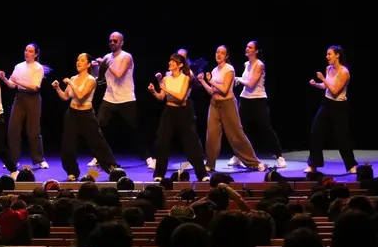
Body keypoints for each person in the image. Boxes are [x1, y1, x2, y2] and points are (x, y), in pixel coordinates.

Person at [91, 32, 155, 169]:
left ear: (121, 43)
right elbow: (98, 77)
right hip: (109, 97)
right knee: (99, 127)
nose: (112, 43)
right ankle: (99, 155)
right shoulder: (107, 57)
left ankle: (148, 157)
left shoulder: (126, 56)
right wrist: (95, 66)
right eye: (110, 41)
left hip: (126, 98)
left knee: (134, 129)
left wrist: (106, 63)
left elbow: (119, 74)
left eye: (115, 41)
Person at [198, 45, 266, 172]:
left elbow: (224, 90)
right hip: (214, 104)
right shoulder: (214, 70)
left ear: (226, 56)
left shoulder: (229, 69)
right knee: (211, 135)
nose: (218, 55)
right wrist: (203, 82)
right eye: (217, 52)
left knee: (236, 135)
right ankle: (210, 164)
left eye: (222, 53)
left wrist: (211, 81)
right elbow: (212, 92)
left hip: (227, 104)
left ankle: (254, 162)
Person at [53, 53, 119, 181]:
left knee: (97, 142)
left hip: (86, 114)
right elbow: (65, 97)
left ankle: (113, 169)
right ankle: (72, 171)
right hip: (72, 113)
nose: (78, 62)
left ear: (88, 64)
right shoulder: (73, 77)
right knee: (68, 143)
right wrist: (57, 88)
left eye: (82, 60)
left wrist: (71, 83)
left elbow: (81, 96)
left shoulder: (91, 80)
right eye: (78, 60)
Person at [147, 54, 209, 182]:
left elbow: (181, 97)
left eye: (173, 61)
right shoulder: (166, 79)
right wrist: (154, 91)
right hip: (169, 112)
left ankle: (202, 174)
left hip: (183, 112)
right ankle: (159, 174)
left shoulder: (185, 78)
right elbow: (161, 97)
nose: (170, 63)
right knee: (162, 142)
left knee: (191, 143)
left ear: (180, 65)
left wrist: (165, 88)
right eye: (170, 60)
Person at [306, 45, 359, 174]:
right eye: (327, 54)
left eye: (329, 54)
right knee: (315, 132)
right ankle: (313, 164)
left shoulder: (344, 72)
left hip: (339, 106)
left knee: (341, 136)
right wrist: (317, 84)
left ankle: (351, 165)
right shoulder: (329, 68)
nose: (327, 57)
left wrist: (323, 78)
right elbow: (326, 87)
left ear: (337, 55)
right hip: (326, 103)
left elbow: (335, 91)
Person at [233, 40, 286, 168]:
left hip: (258, 100)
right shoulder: (246, 64)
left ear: (256, 51)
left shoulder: (259, 64)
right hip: (245, 99)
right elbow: (247, 83)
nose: (247, 49)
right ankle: (237, 156)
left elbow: (251, 84)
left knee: (265, 128)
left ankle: (279, 156)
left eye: (250, 47)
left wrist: (239, 79)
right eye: (247, 46)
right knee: (240, 130)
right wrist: (240, 79)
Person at [0, 43, 50, 170]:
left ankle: (39, 159)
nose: (27, 53)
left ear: (36, 54)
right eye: (26, 50)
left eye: (30, 51)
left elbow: (35, 86)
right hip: (19, 97)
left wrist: (18, 81)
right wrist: (4, 78)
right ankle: (13, 160)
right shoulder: (19, 66)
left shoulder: (38, 68)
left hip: (33, 99)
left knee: (33, 131)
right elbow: (12, 84)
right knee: (13, 129)